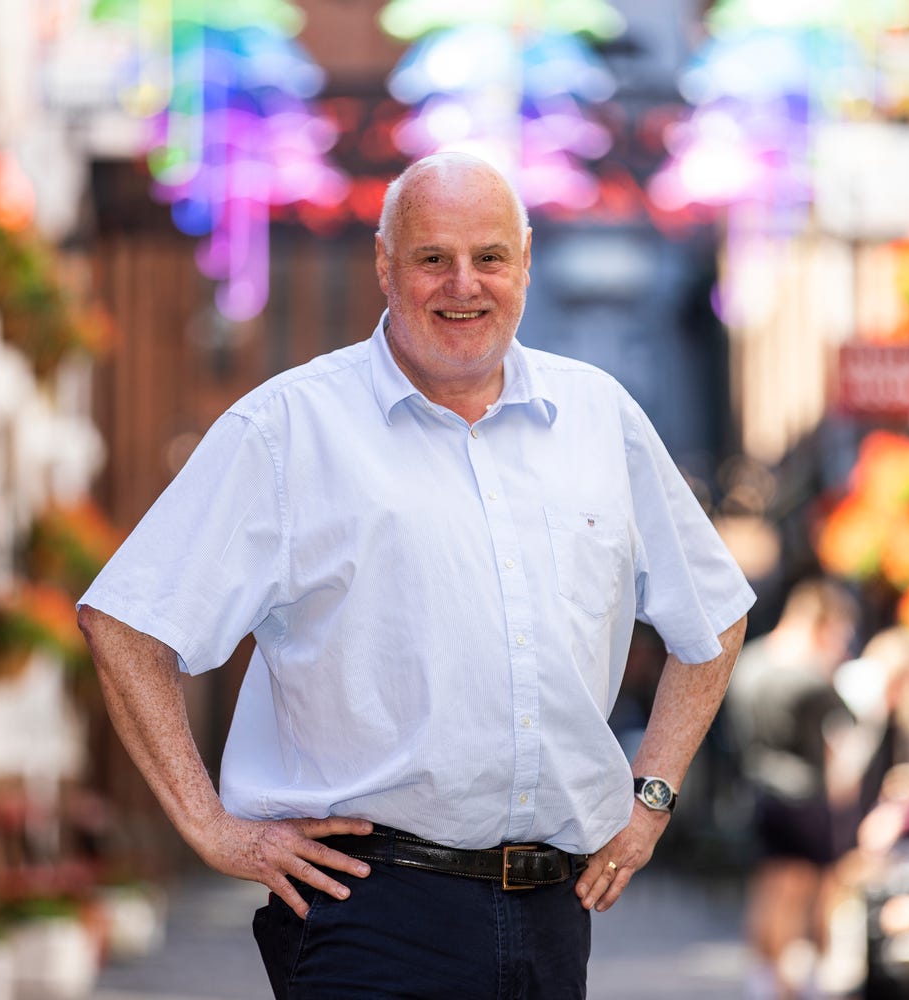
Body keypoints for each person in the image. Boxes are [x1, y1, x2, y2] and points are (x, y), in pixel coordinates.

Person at [76, 152, 755, 999]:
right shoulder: (290, 428)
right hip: (367, 912)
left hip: (553, 914)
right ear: (384, 265)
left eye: (490, 258)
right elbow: (127, 622)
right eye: (433, 257)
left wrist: (651, 795)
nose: (462, 284)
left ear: (527, 262)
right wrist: (215, 830)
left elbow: (715, 615)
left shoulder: (599, 418)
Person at [724, 577, 860, 999]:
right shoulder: (810, 674)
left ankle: (763, 981)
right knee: (796, 895)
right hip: (802, 794)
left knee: (767, 889)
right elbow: (845, 730)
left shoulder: (750, 662)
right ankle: (785, 987)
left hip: (757, 789)